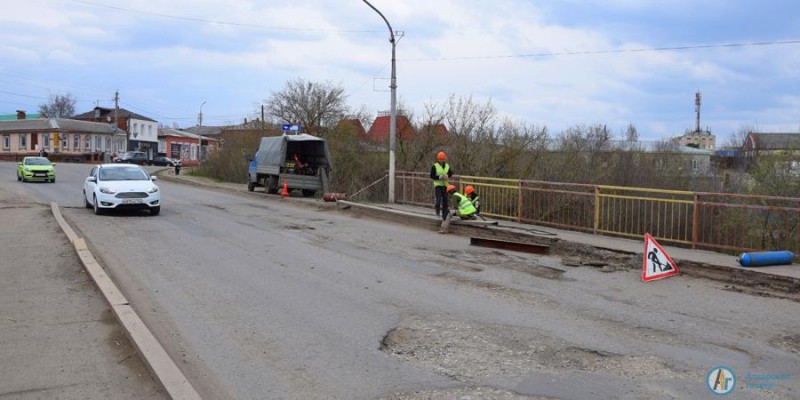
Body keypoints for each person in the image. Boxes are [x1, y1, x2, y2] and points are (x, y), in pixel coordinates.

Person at [430, 151, 453, 220]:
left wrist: (447, 176)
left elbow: (450, 173)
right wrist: (439, 177)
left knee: (445, 201)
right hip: (438, 185)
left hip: (445, 186)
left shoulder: (447, 166)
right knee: (438, 200)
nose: (442, 161)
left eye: (443, 159)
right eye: (440, 159)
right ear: (438, 159)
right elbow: (432, 175)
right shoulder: (435, 166)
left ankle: (444, 215)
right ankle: (437, 211)